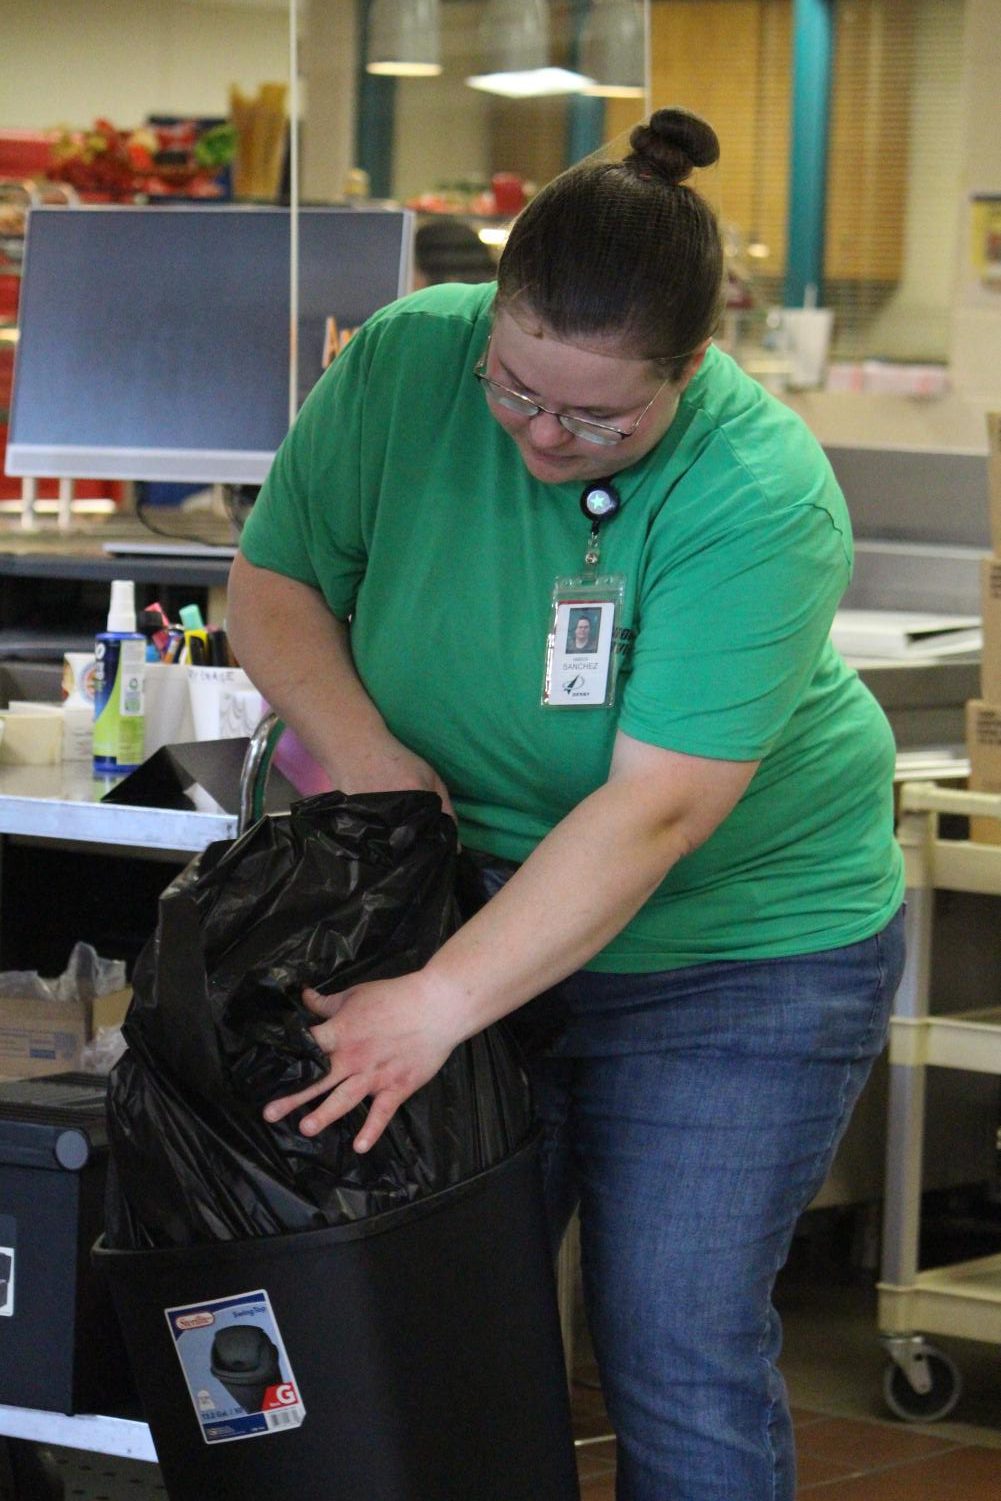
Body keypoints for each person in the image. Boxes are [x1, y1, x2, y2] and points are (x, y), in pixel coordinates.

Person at [227, 107, 905, 1501]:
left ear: (694, 367)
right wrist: (367, 756)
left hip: (734, 957)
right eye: (516, 389)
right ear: (494, 320)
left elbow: (652, 811)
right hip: (468, 900)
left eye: (598, 416)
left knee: (669, 1339)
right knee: (431, 1322)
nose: (542, 435)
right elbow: (276, 585)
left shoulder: (757, 492)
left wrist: (436, 1002)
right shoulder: (412, 359)